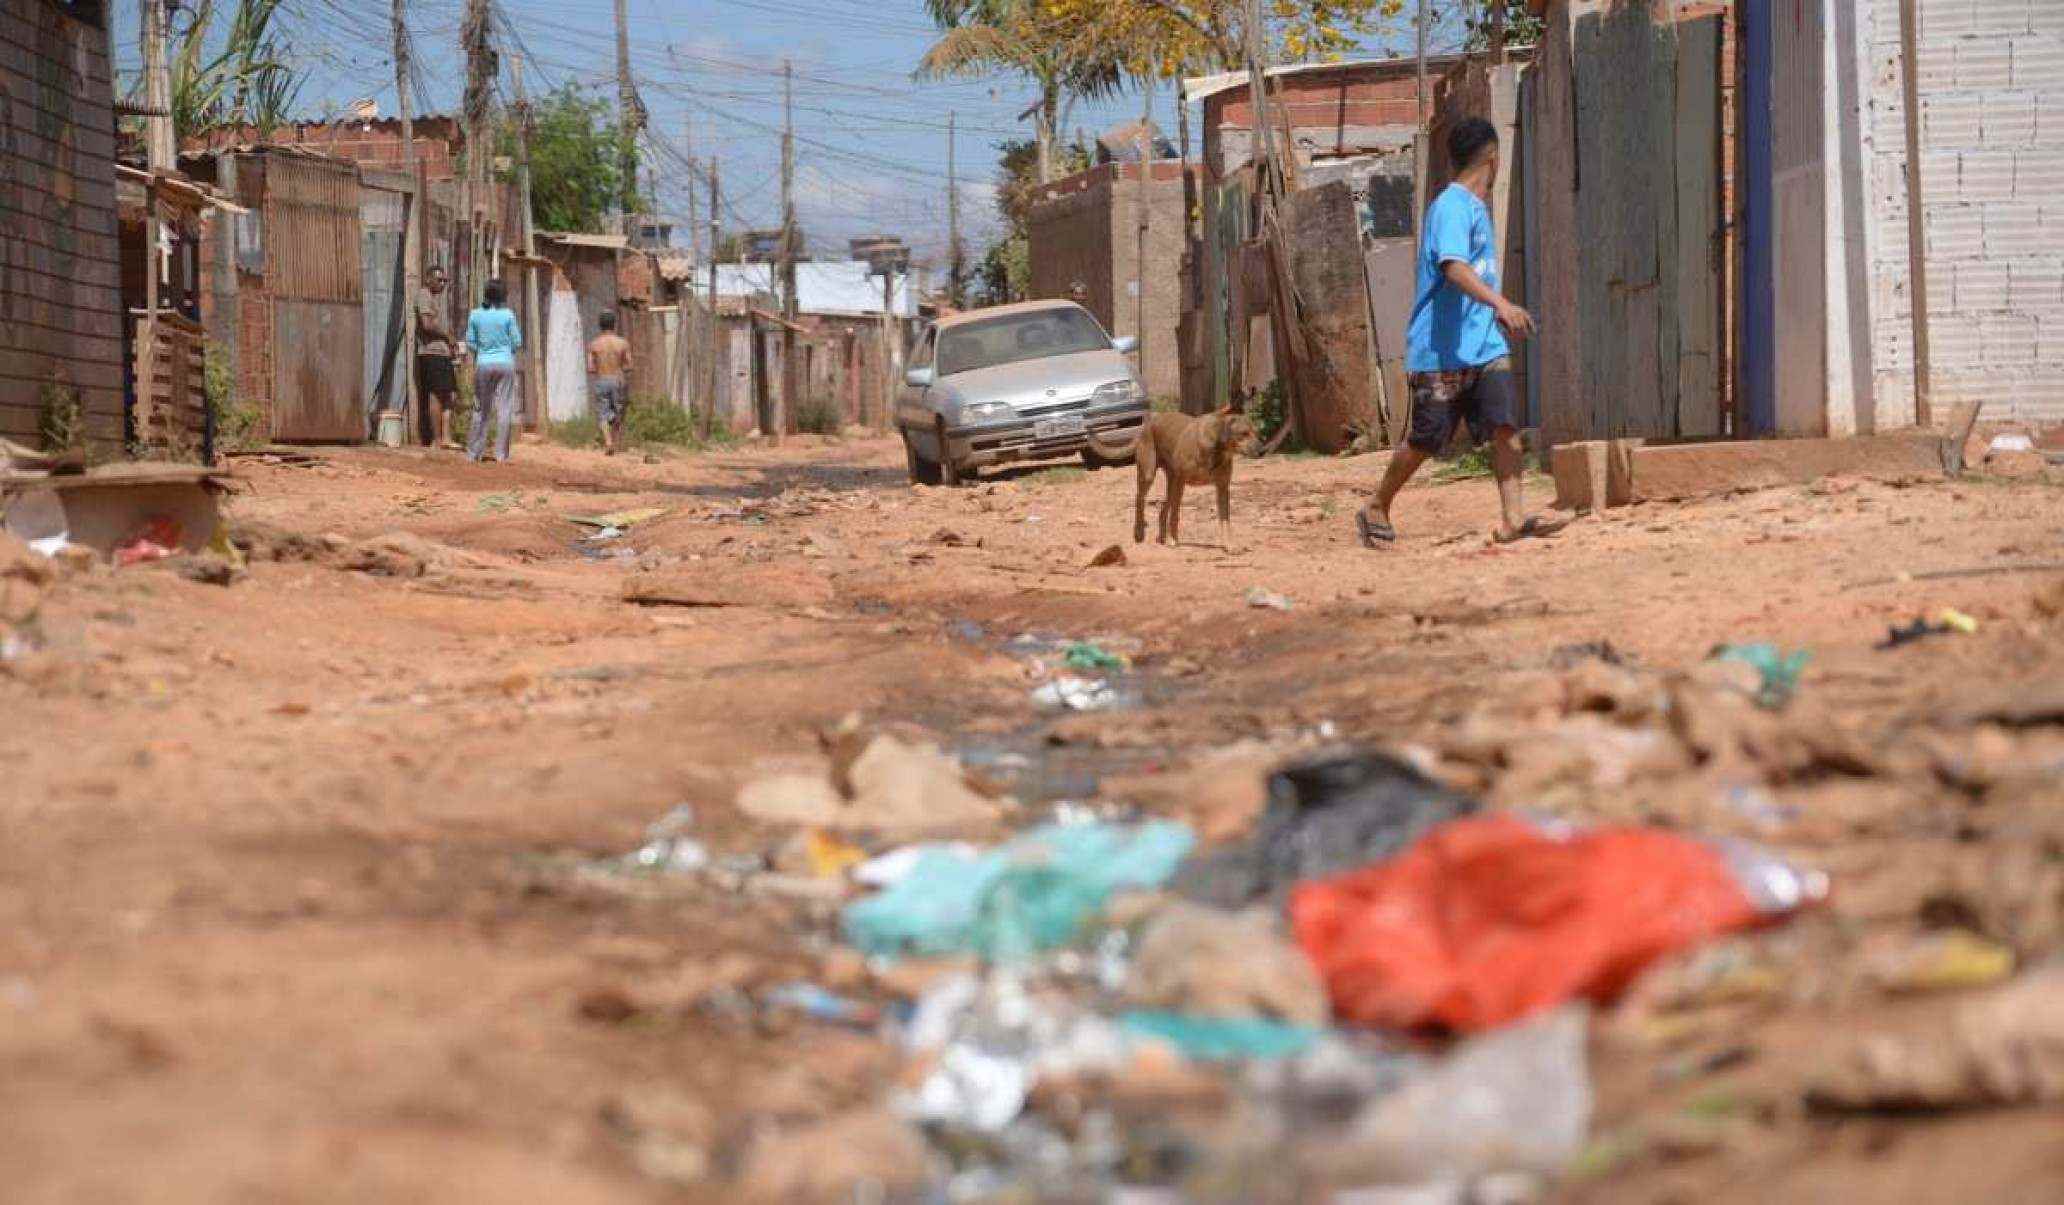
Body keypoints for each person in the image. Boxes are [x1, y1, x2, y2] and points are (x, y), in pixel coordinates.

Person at [1357, 116, 1562, 547]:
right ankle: (1376, 503)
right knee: (1427, 440)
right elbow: (1453, 267)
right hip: (1441, 349)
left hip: (1484, 344)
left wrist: (1493, 315)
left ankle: (1513, 519)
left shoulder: (1475, 209)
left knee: (1504, 427)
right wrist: (1502, 304)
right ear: (1493, 158)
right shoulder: (1451, 207)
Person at [464, 279, 524, 463]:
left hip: (484, 363)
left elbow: (470, 342)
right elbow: (517, 342)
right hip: (505, 363)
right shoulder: (508, 315)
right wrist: (505, 351)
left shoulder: (475, 315)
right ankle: (501, 455)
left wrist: (483, 351)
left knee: (481, 408)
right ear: (503, 296)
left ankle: (474, 453)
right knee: (505, 409)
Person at [414, 265, 460, 449]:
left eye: (444, 281)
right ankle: (437, 439)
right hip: (432, 353)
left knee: (449, 395)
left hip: (443, 353)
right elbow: (426, 324)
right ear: (428, 279)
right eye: (439, 280)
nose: (442, 283)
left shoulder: (436, 299)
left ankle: (446, 437)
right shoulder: (424, 295)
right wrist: (447, 336)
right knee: (436, 395)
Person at [587, 311, 634, 456]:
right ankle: (614, 441)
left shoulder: (594, 345)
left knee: (602, 413)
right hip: (618, 380)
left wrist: (600, 367)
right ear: (614, 324)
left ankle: (608, 442)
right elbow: (629, 365)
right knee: (618, 412)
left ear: (600, 325)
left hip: (602, 379)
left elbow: (590, 368)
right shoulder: (622, 343)